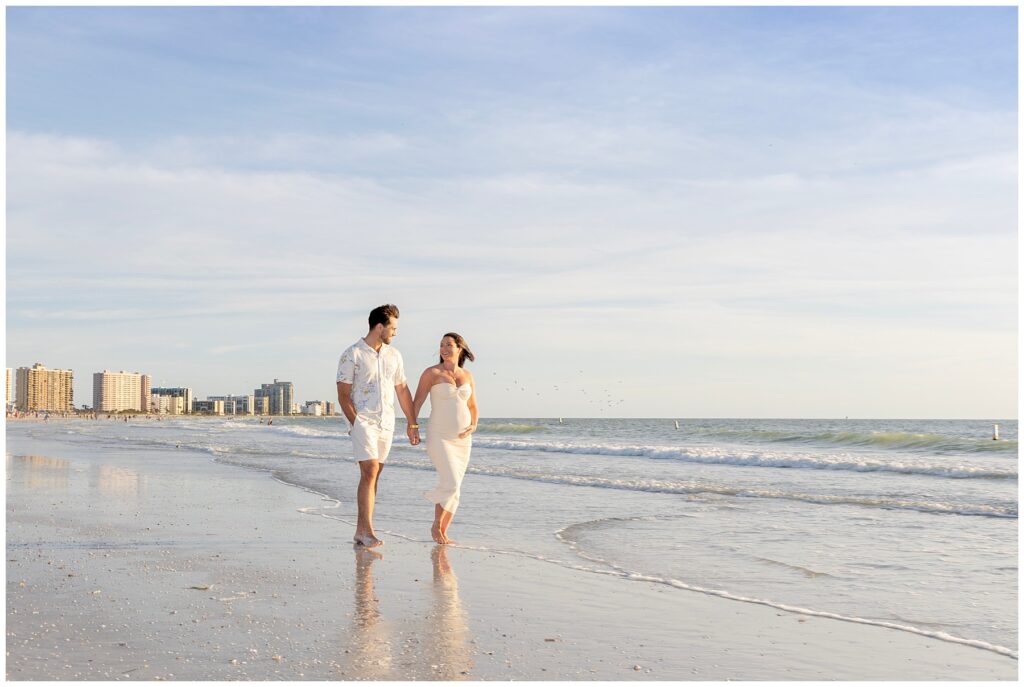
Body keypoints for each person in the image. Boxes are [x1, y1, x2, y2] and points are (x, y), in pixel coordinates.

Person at [337, 304, 421, 548]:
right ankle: (367, 532)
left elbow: (402, 390)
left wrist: (412, 422)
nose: (395, 333)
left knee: (374, 475)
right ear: (380, 326)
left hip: (387, 422)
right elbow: (343, 394)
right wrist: (357, 423)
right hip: (363, 420)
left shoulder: (394, 355)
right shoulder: (352, 354)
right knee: (370, 470)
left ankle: (361, 530)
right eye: (393, 328)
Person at [412, 332, 478, 544]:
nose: (444, 349)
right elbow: (417, 401)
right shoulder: (431, 373)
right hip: (439, 435)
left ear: (460, 348)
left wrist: (473, 425)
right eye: (441, 345)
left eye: (449, 345)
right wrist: (412, 425)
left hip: (462, 439)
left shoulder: (467, 376)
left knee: (455, 486)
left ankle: (443, 532)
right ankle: (435, 526)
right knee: (450, 481)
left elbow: (473, 406)